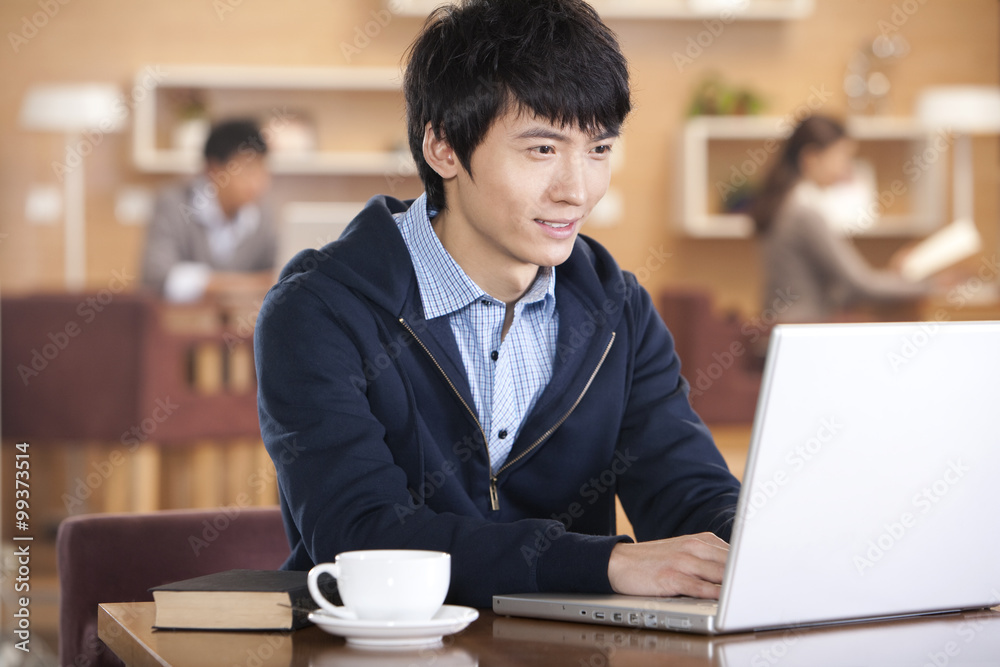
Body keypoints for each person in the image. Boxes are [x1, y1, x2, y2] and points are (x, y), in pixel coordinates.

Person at [255, 0, 740, 609]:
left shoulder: (619, 312)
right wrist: (606, 562)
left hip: (558, 653)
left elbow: (689, 493)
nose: (576, 190)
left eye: (598, 150)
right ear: (444, 148)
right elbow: (362, 538)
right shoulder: (320, 312)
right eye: (542, 150)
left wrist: (757, 545)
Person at [750, 115, 931, 324]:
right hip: (801, 333)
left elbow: (841, 287)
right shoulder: (803, 213)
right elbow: (860, 285)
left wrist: (897, 277)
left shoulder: (787, 203)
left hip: (788, 327)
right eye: (841, 157)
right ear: (811, 158)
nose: (847, 168)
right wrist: (929, 284)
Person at [141, 119, 277, 302]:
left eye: (262, 169)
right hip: (181, 324)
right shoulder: (174, 204)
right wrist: (247, 285)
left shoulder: (262, 214)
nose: (258, 182)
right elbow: (158, 277)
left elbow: (275, 279)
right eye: (247, 169)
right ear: (213, 169)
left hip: (242, 326)